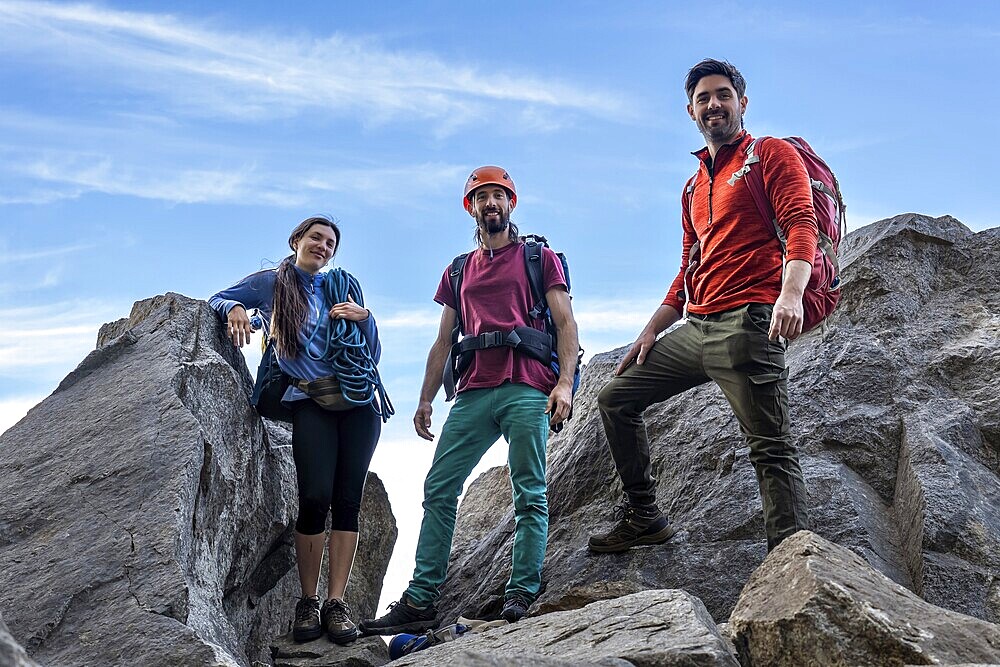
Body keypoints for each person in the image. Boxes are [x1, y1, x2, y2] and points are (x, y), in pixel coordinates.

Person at [588, 59, 816, 555]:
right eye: (703, 98)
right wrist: (650, 331)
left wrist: (791, 294)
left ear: (742, 102)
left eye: (723, 94)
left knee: (770, 448)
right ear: (690, 111)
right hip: (696, 329)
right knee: (615, 399)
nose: (714, 104)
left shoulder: (768, 154)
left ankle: (794, 564)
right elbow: (687, 268)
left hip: (748, 324)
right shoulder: (693, 186)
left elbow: (802, 225)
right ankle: (645, 516)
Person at [360, 166, 579, 634]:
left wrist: (564, 384)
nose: (490, 204)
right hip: (473, 392)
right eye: (481, 198)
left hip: (526, 386)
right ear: (471, 208)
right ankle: (420, 600)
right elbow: (442, 341)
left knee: (529, 490)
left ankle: (522, 590)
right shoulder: (458, 270)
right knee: (439, 487)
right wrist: (424, 400)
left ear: (511, 203)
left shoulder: (539, 258)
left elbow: (565, 323)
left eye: (498, 196)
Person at [209, 216, 388, 644]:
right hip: (311, 400)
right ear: (296, 241)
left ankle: (336, 603)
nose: (323, 247)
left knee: (348, 500)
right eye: (316, 238)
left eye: (330, 243)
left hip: (361, 404)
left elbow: (373, 355)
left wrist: (366, 318)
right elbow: (218, 297)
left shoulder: (340, 287)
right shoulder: (271, 284)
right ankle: (307, 601)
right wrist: (235, 309)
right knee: (313, 498)